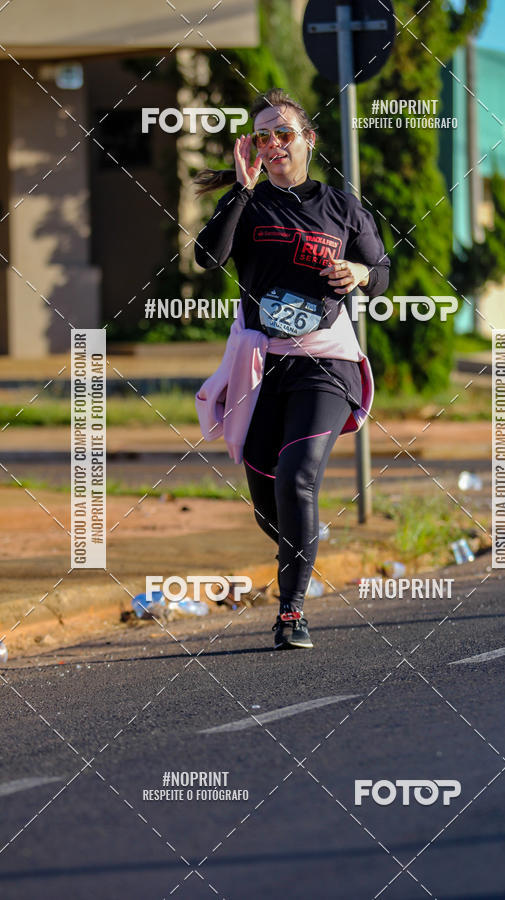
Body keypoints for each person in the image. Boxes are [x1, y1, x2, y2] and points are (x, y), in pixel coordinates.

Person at [194, 88, 390, 650]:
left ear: (308, 140)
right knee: (270, 499)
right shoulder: (249, 203)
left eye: (284, 133)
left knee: (298, 474)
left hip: (325, 364)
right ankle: (298, 546)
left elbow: (382, 272)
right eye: (263, 135)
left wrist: (357, 273)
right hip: (260, 367)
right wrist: (240, 188)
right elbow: (208, 256)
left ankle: (291, 612)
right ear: (253, 147)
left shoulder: (344, 209)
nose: (274, 143)